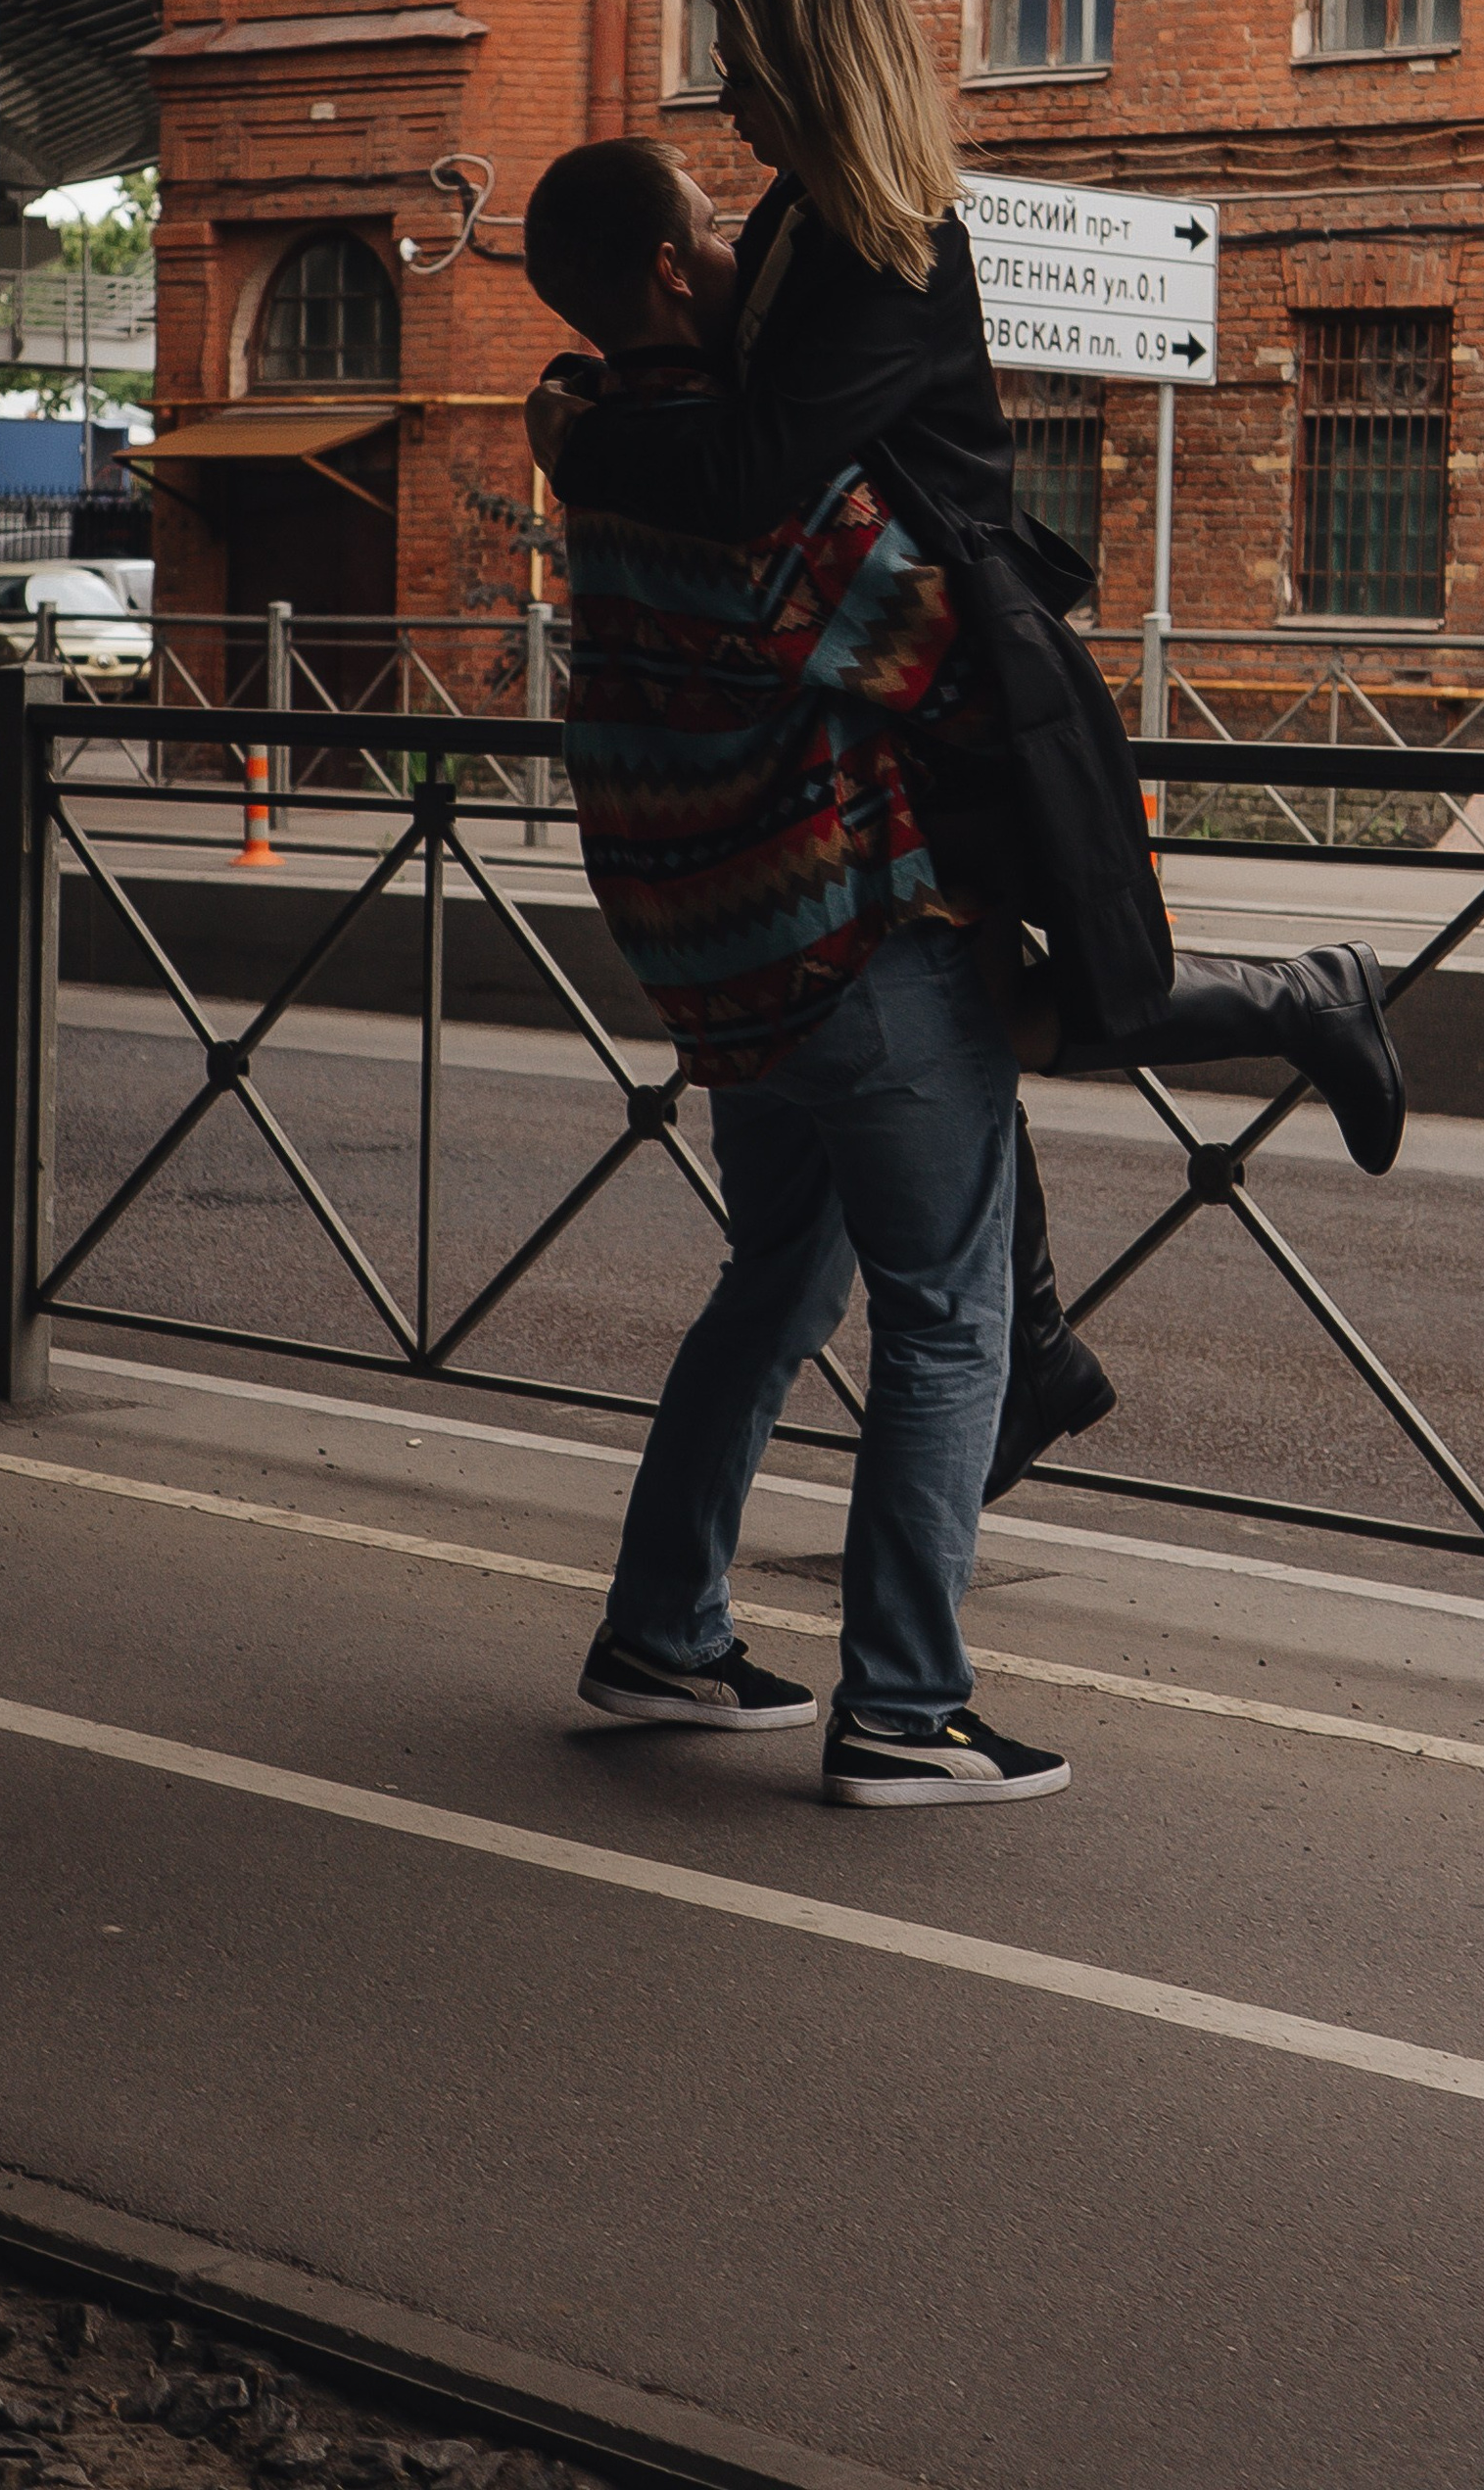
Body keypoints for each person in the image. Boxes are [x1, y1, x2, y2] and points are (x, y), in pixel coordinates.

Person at [532, 0, 1408, 1492]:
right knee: (976, 1015)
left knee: (1030, 1002)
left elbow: (742, 473)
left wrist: (577, 434)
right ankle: (1048, 1340)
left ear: (809, 69)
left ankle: (1297, 1009)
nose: (724, 109)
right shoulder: (807, 217)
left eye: (739, 71)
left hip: (948, 672)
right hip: (870, 681)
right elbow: (726, 417)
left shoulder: (889, 249)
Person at [524, 133, 1072, 1806]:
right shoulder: (750, 480)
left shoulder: (597, 449)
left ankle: (663, 1633)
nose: (733, 225)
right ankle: (907, 1708)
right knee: (949, 1322)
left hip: (714, 966)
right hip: (849, 943)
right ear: (682, 273)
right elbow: (934, 649)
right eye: (709, 215)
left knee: (776, 1282)